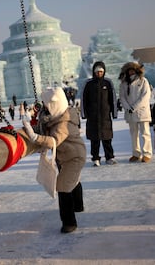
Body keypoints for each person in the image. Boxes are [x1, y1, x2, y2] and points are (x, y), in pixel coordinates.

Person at [23, 87, 86, 234]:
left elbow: (53, 141)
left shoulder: (64, 122)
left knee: (63, 186)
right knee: (72, 181)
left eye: (47, 104)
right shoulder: (55, 117)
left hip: (74, 157)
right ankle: (78, 205)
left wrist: (34, 137)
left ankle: (69, 223)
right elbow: (45, 128)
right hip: (65, 156)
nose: (45, 107)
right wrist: (31, 121)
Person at [80, 61, 117, 166]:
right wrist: (84, 114)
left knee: (107, 138)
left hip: (105, 117)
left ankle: (109, 157)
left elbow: (113, 99)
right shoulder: (88, 84)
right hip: (93, 117)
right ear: (94, 72)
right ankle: (95, 158)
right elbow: (84, 99)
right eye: (97, 72)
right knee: (94, 140)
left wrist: (114, 113)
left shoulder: (107, 83)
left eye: (101, 72)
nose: (99, 74)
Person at [119, 62, 153, 163]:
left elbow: (145, 96)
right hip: (130, 112)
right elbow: (122, 97)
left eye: (133, 70)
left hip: (142, 112)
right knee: (133, 134)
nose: (131, 72)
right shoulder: (124, 83)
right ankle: (136, 153)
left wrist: (134, 107)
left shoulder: (143, 81)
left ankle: (147, 153)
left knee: (145, 133)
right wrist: (127, 107)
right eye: (129, 70)